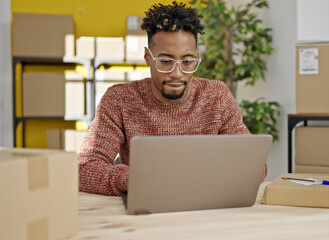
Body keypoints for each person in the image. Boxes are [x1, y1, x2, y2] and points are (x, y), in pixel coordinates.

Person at [78, 1, 267, 196]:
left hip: (207, 206)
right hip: (147, 201)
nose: (177, 73)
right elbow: (84, 168)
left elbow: (254, 166)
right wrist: (135, 178)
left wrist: (197, 178)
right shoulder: (119, 99)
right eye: (166, 61)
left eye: (187, 61)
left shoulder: (217, 96)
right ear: (147, 57)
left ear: (196, 57)